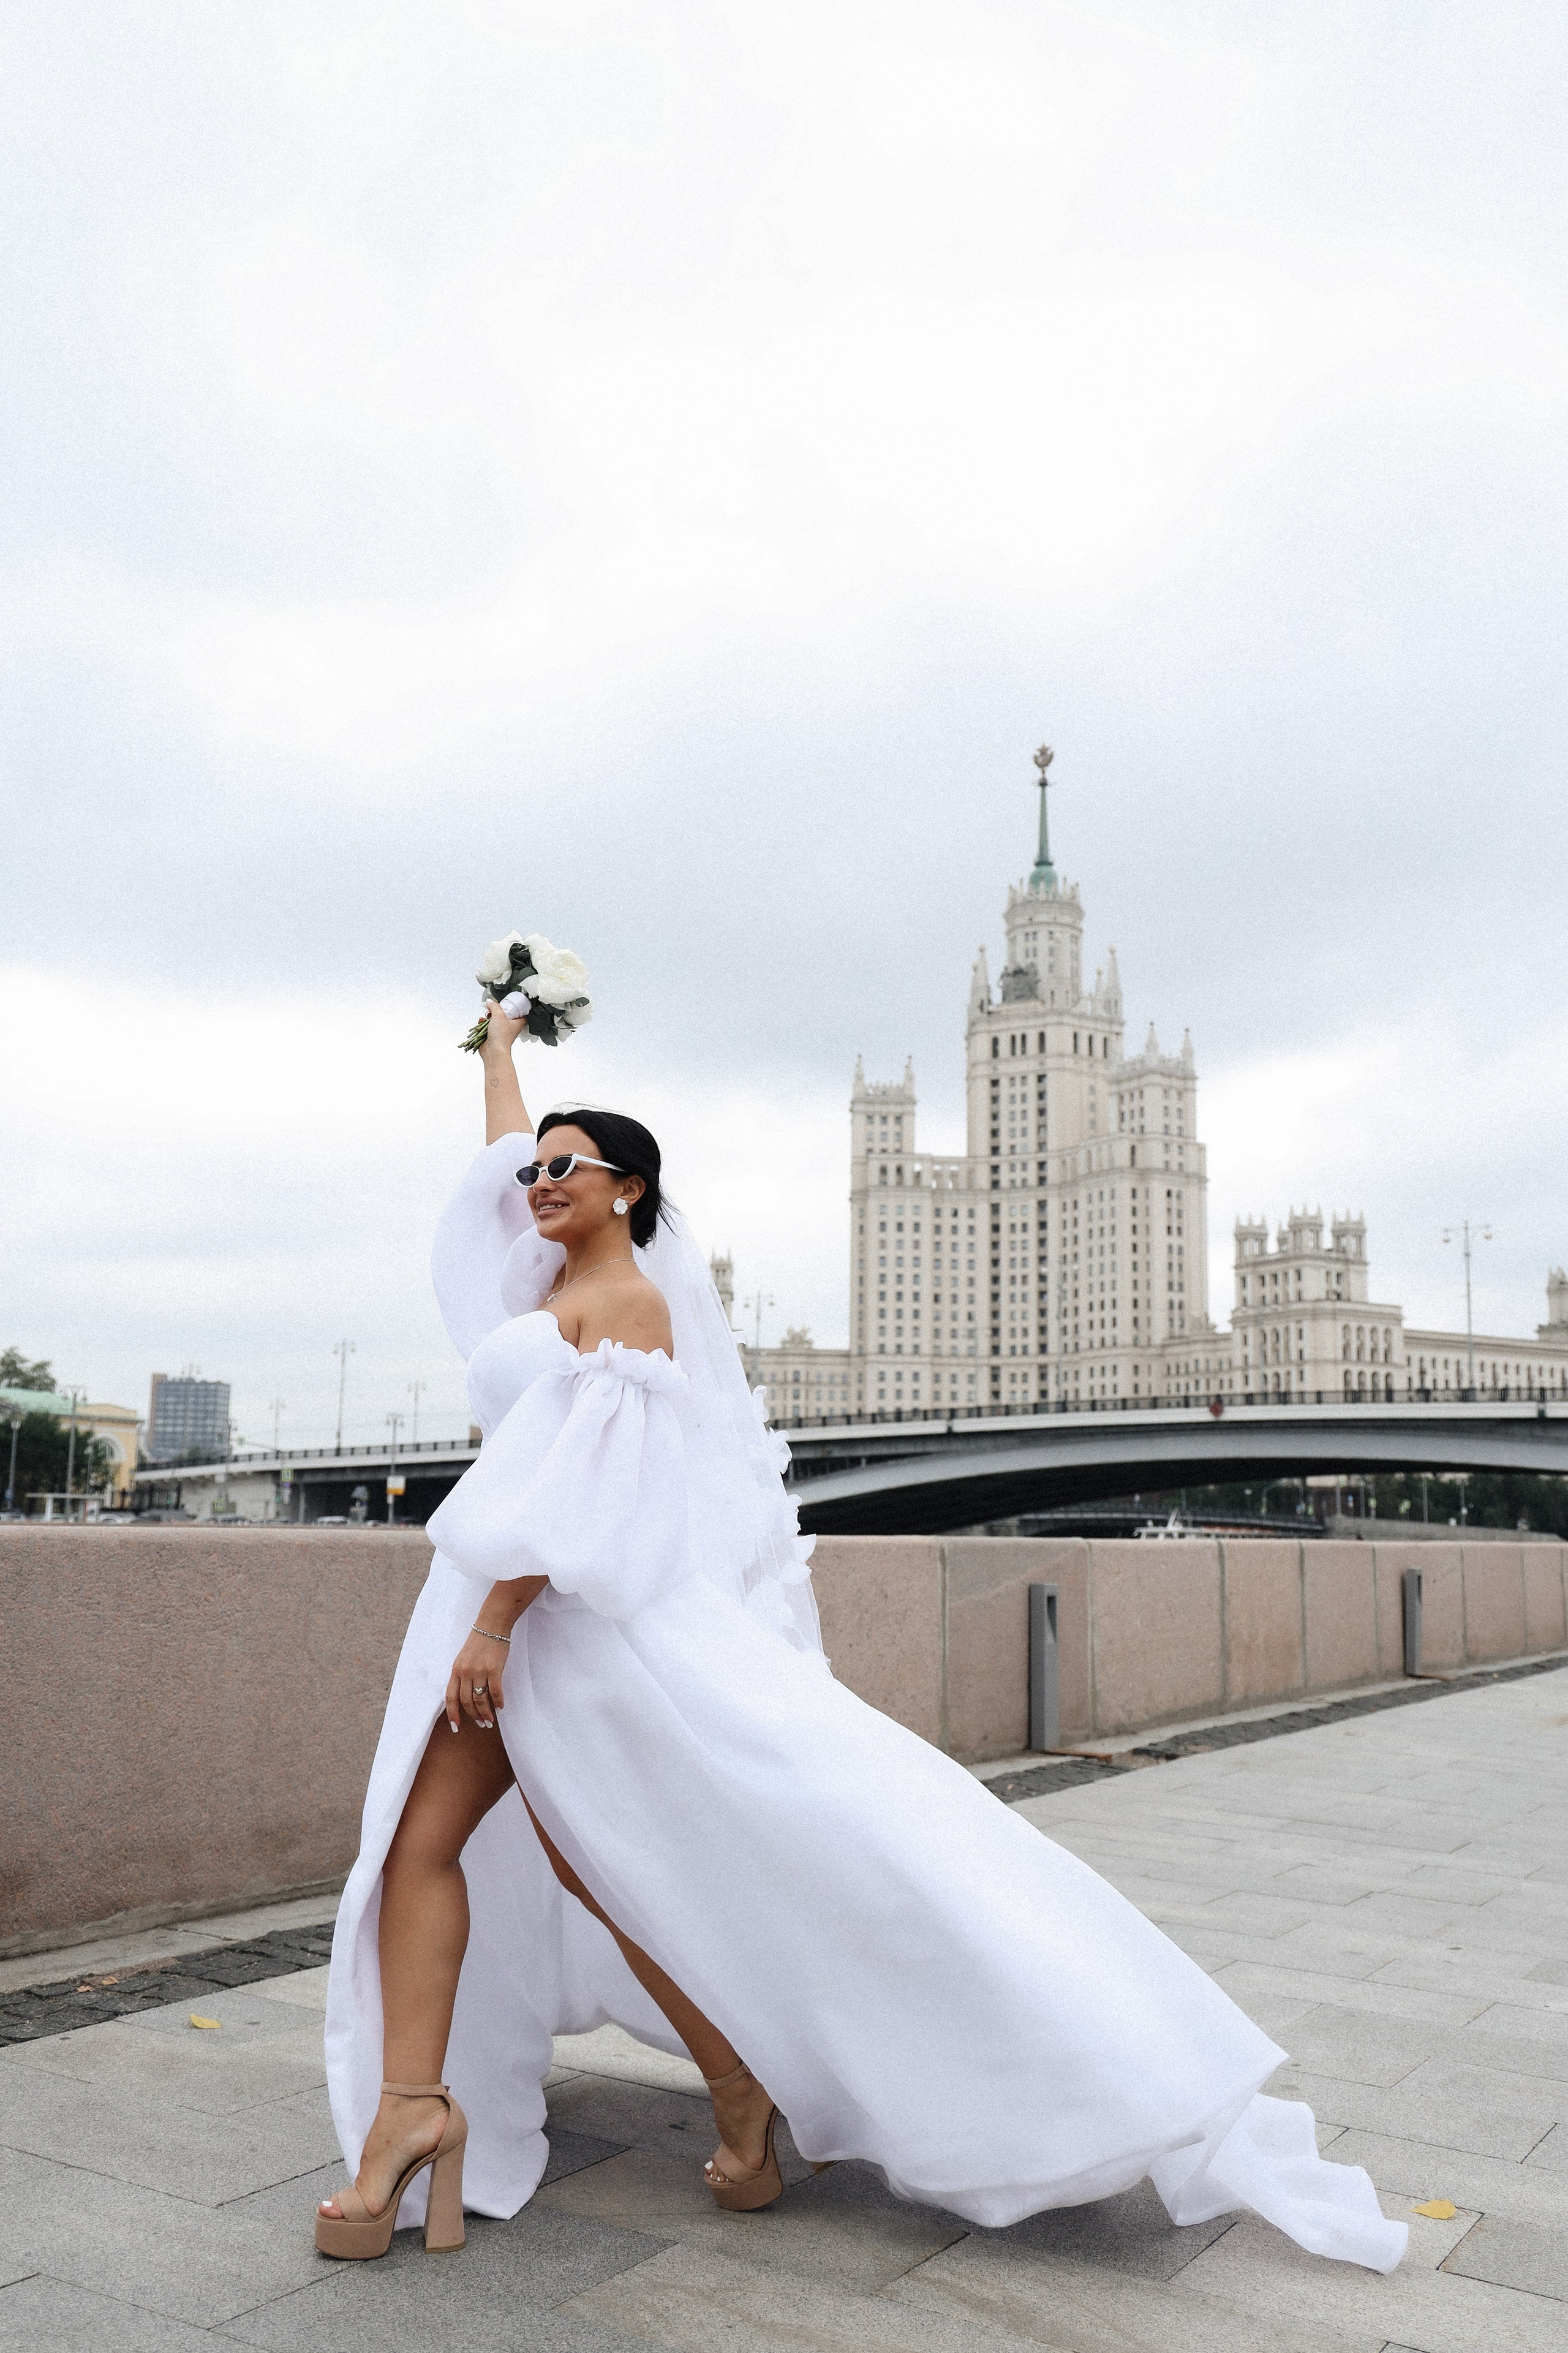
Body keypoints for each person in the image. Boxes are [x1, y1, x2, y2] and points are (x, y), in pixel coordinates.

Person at [315, 1002, 1406, 2272]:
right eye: (536, 1167)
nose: (538, 1179)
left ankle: (740, 2088)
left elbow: (580, 1490)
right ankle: (420, 2115)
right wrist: (500, 1051)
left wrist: (496, 1620)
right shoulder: (553, 1274)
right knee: (452, 1850)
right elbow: (500, 1175)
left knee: (601, 1864)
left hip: (558, 1622)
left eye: (567, 1166)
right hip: (506, 1610)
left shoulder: (626, 1307)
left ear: (631, 1191)